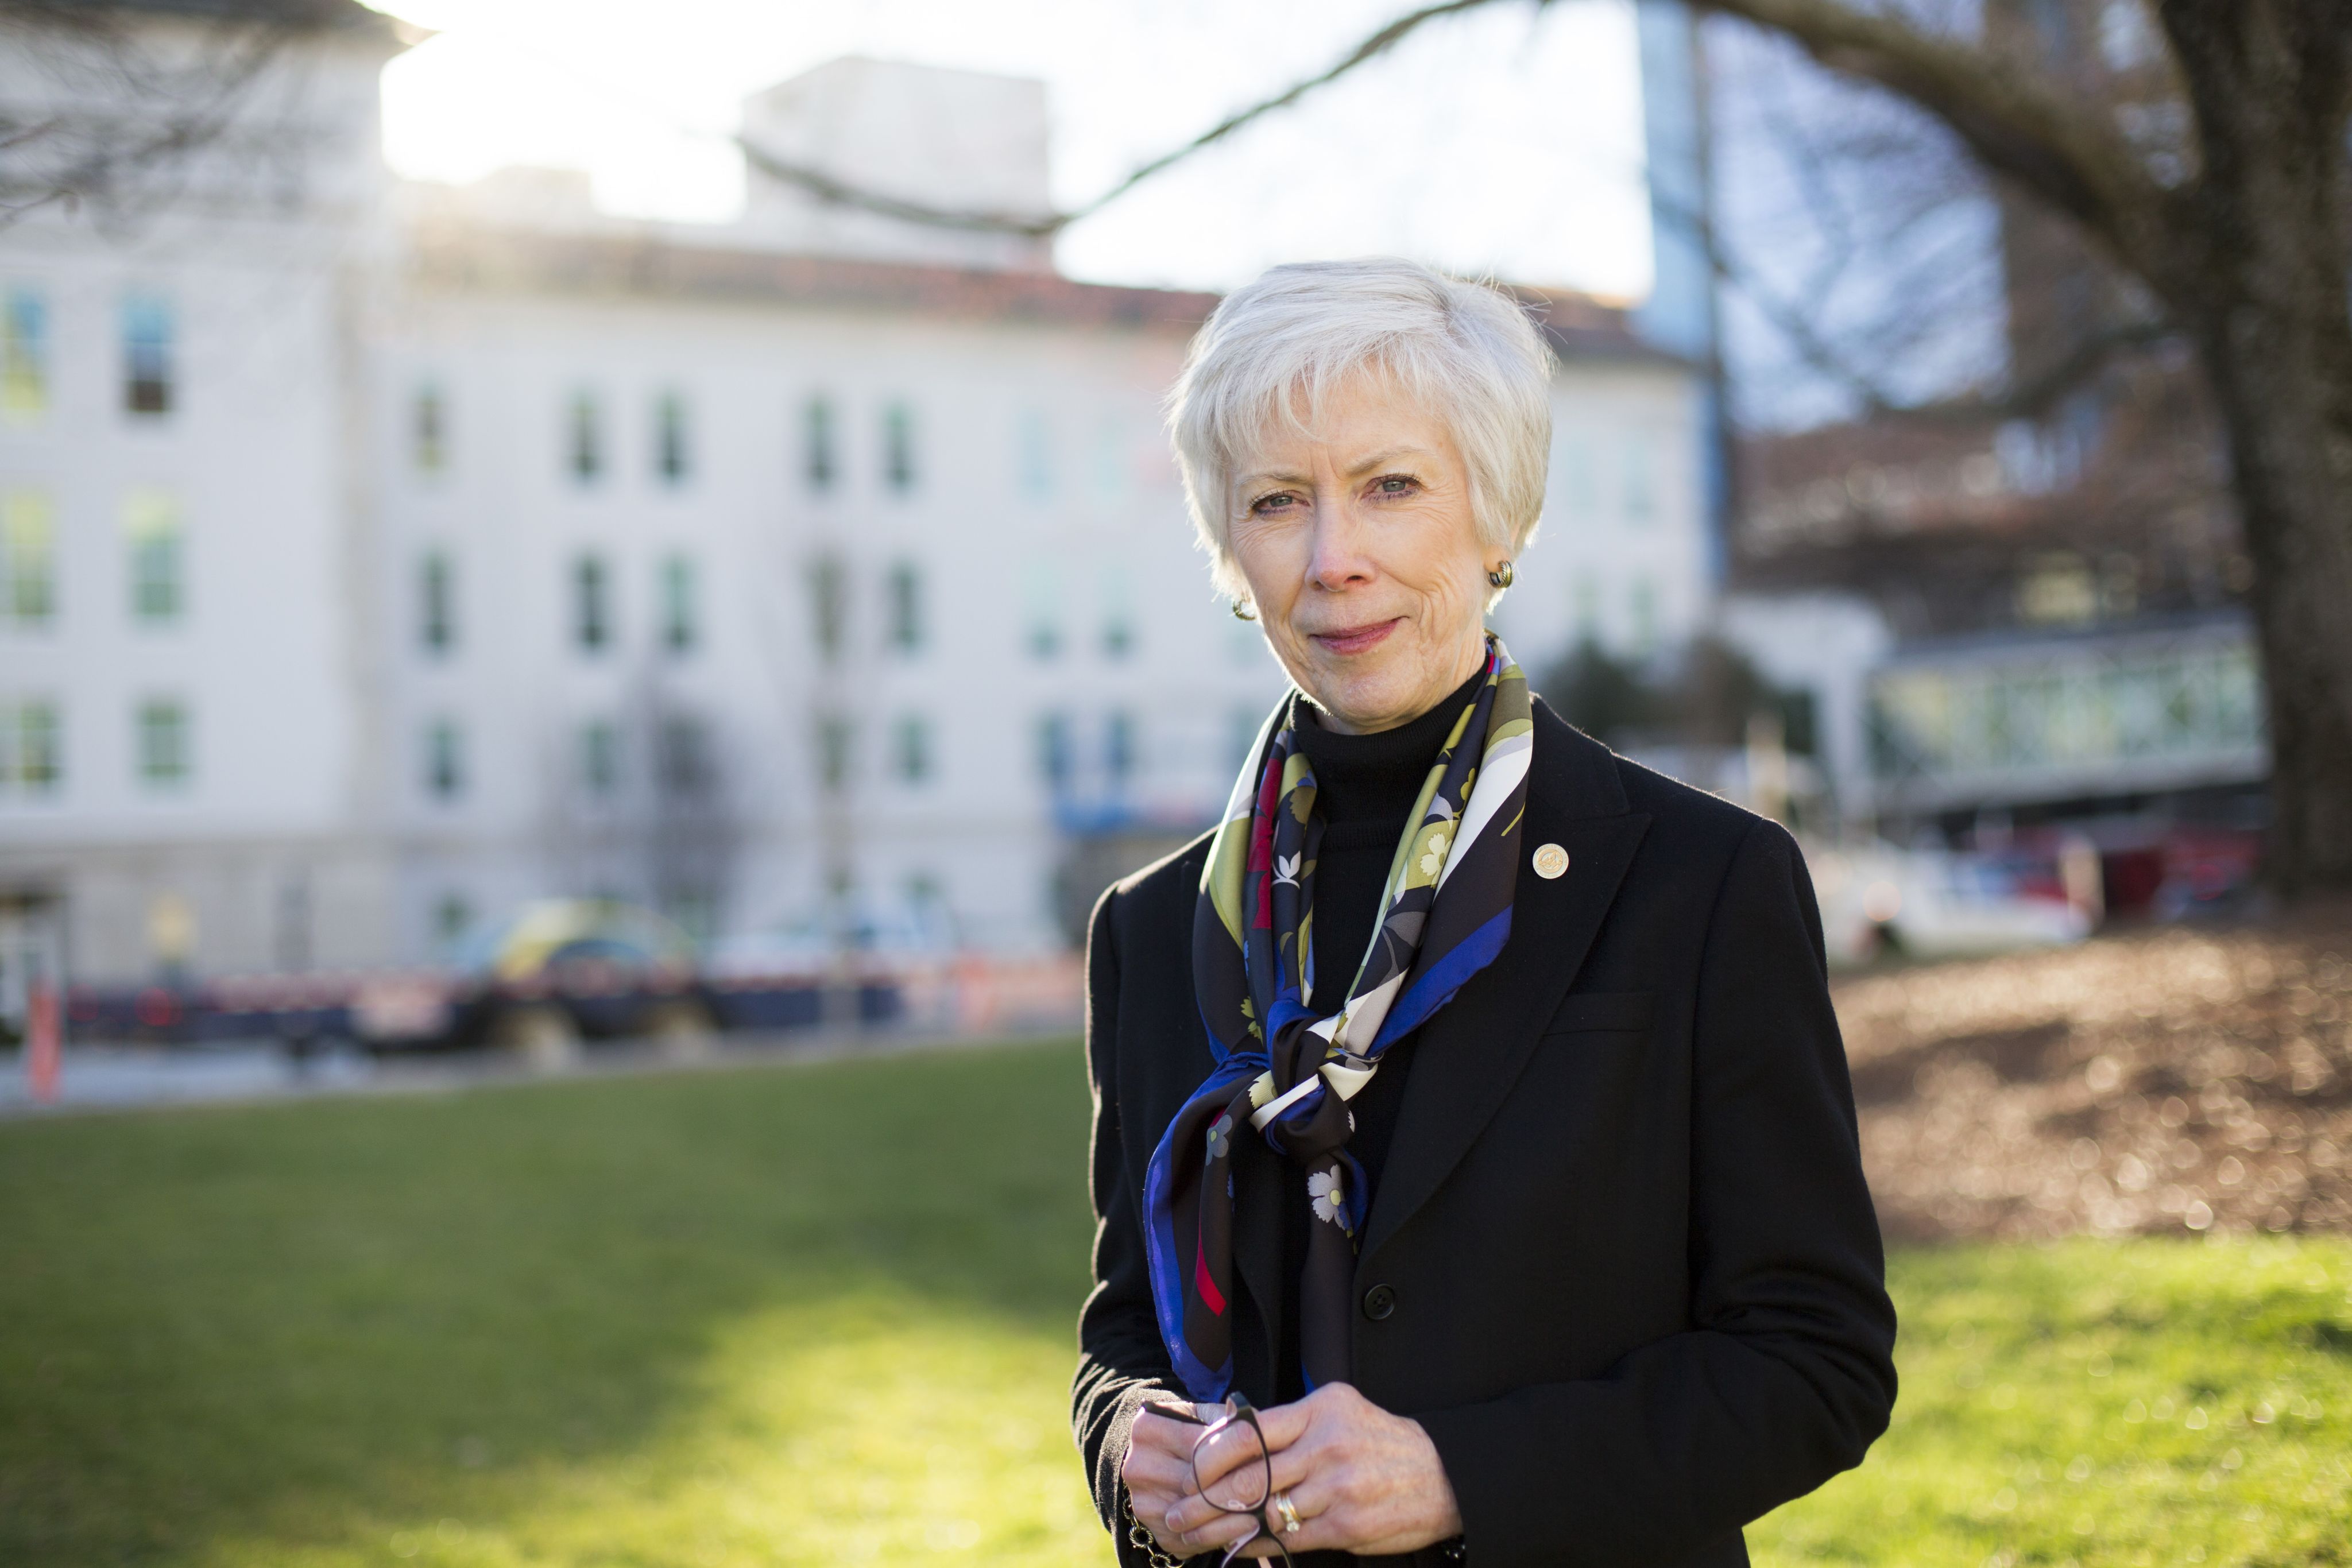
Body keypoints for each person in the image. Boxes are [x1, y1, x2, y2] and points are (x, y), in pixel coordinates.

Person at [1070, 258, 1897, 1566]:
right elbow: (1122, 1329)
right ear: (1231, 549)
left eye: (1390, 486)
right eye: (1278, 501)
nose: (1335, 560)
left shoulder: (1699, 880)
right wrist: (1129, 1444)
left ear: (1496, 516)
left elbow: (1815, 1363)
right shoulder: (1151, 928)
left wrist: (1461, 1475)